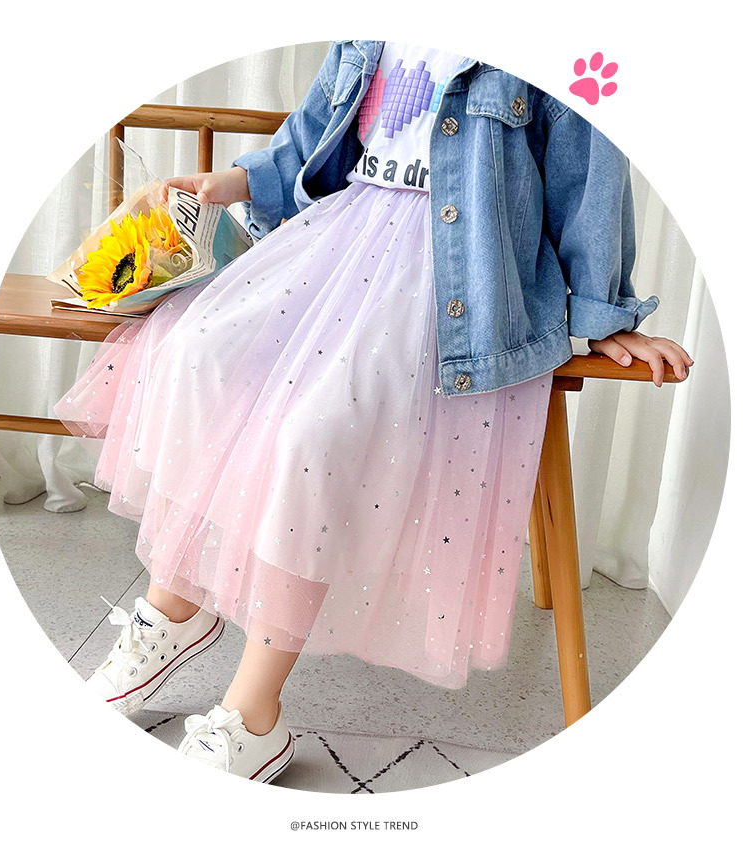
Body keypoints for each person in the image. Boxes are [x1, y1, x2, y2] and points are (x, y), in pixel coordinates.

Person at [53, 39, 692, 784]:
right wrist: (233, 182)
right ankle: (174, 609)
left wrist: (607, 314)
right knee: (194, 355)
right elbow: (316, 134)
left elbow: (589, 179)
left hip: (456, 281)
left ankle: (254, 714)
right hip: (336, 242)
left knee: (311, 436)